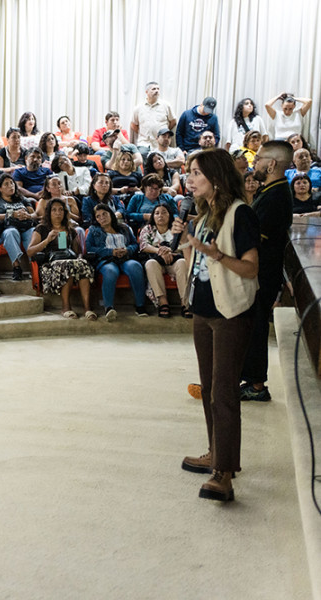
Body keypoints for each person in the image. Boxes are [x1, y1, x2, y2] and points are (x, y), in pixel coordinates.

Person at [174, 148, 260, 502]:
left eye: (195, 173)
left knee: (224, 393)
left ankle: (224, 472)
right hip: (203, 310)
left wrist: (218, 256)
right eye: (189, 173)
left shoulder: (241, 215)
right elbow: (199, 265)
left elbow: (251, 268)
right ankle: (215, 451)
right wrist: (188, 245)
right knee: (209, 388)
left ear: (216, 177)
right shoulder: (203, 215)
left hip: (230, 314)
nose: (189, 179)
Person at [238, 141, 294, 403]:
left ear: (271, 164)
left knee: (256, 326)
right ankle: (251, 378)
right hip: (261, 271)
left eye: (258, 158)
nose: (254, 162)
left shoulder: (275, 196)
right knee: (251, 325)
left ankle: (257, 385)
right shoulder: (271, 190)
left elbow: (255, 238)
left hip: (262, 273)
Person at [27, 198, 95, 319]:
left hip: (69, 260)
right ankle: (65, 307)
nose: (58, 213)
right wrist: (47, 240)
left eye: (61, 210)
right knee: (67, 266)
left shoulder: (71, 230)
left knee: (83, 264)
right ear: (49, 213)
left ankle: (87, 308)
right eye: (54, 210)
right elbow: (30, 251)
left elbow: (77, 252)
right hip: (50, 265)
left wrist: (79, 258)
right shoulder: (41, 229)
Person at [87, 203, 149, 319]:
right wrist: (111, 252)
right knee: (110, 271)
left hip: (126, 258)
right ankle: (109, 308)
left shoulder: (124, 227)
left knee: (135, 267)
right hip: (107, 260)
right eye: (98, 216)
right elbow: (90, 248)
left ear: (111, 214)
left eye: (104, 214)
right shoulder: (93, 230)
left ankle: (140, 306)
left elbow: (135, 244)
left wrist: (127, 250)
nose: (102, 218)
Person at [138, 202, 190, 317]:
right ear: (153, 216)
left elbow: (183, 246)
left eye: (164, 212)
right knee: (150, 264)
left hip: (175, 260)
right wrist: (160, 251)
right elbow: (144, 246)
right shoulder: (148, 229)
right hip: (157, 261)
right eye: (157, 213)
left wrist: (170, 251)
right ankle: (163, 302)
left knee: (183, 262)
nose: (160, 215)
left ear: (170, 215)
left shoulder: (176, 228)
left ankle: (185, 302)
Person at [0, 173, 37, 280]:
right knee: (11, 232)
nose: (11, 186)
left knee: (33, 231)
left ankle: (34, 266)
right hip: (5, 230)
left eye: (12, 183)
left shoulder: (21, 198)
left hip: (24, 227)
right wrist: (12, 214)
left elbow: (34, 214)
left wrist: (27, 215)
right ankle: (16, 267)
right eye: (6, 184)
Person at [130, 82, 177, 153]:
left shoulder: (166, 106)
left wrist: (164, 133)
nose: (157, 91)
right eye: (153, 89)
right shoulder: (139, 108)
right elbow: (133, 124)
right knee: (143, 156)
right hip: (144, 143)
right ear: (146, 92)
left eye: (158, 89)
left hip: (162, 143)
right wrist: (143, 133)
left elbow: (173, 121)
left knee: (161, 161)